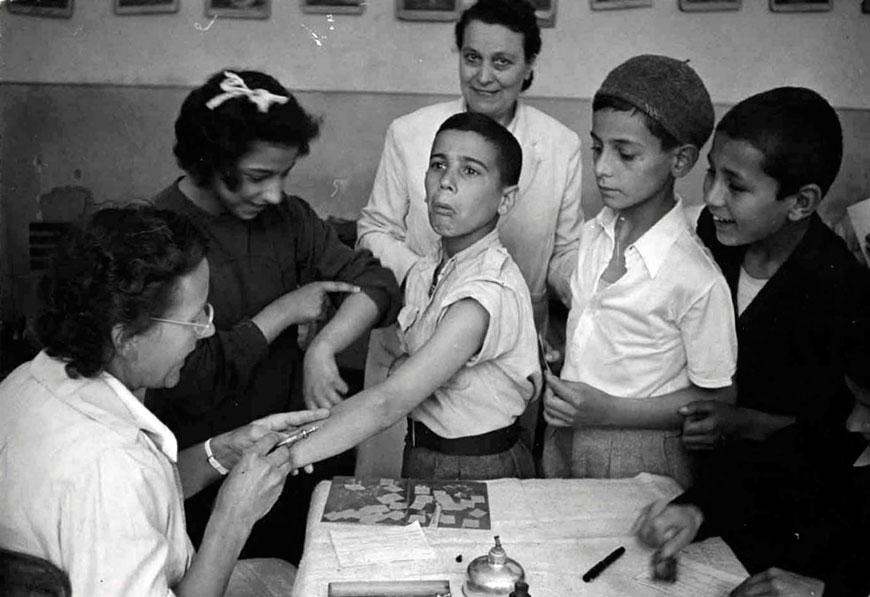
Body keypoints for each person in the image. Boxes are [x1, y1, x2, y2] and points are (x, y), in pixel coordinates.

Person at [0, 205, 329, 597]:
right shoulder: (109, 467)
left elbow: (137, 499)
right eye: (193, 319)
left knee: (278, 575)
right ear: (126, 338)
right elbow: (120, 489)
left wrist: (218, 452)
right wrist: (233, 518)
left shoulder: (27, 381)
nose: (207, 331)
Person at [146, 69, 401, 563]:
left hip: (281, 469)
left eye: (283, 175)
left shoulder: (290, 219)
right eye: (260, 176)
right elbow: (182, 378)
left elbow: (376, 285)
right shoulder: (159, 234)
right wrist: (283, 312)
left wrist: (324, 348)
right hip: (196, 477)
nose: (275, 195)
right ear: (209, 162)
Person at [355, 0, 583, 477]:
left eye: (502, 62)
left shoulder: (559, 145)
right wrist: (431, 281)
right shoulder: (411, 133)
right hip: (410, 338)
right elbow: (375, 229)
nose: (484, 76)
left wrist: (590, 295)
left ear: (528, 68)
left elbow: (566, 251)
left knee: (490, 489)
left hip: (501, 362)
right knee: (396, 488)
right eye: (472, 57)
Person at [287, 112, 540, 479]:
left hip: (478, 469)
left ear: (506, 199)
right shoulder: (430, 266)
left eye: (470, 171)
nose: (446, 183)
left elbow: (389, 401)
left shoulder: (485, 293)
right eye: (438, 165)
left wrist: (291, 451)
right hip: (426, 453)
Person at [542, 55, 737, 487]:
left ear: (681, 161)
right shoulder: (595, 235)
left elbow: (719, 396)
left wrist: (609, 411)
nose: (602, 167)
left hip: (641, 453)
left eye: (625, 153)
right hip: (566, 435)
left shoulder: (695, 277)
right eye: (597, 147)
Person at [679, 87, 870, 451]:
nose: (712, 197)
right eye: (711, 173)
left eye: (735, 186)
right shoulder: (710, 232)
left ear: (801, 202)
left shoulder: (840, 289)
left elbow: (836, 430)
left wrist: (743, 423)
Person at [633, 376, 870, 597]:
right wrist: (697, 510)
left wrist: (829, 592)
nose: (853, 423)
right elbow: (763, 472)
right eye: (856, 401)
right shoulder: (840, 428)